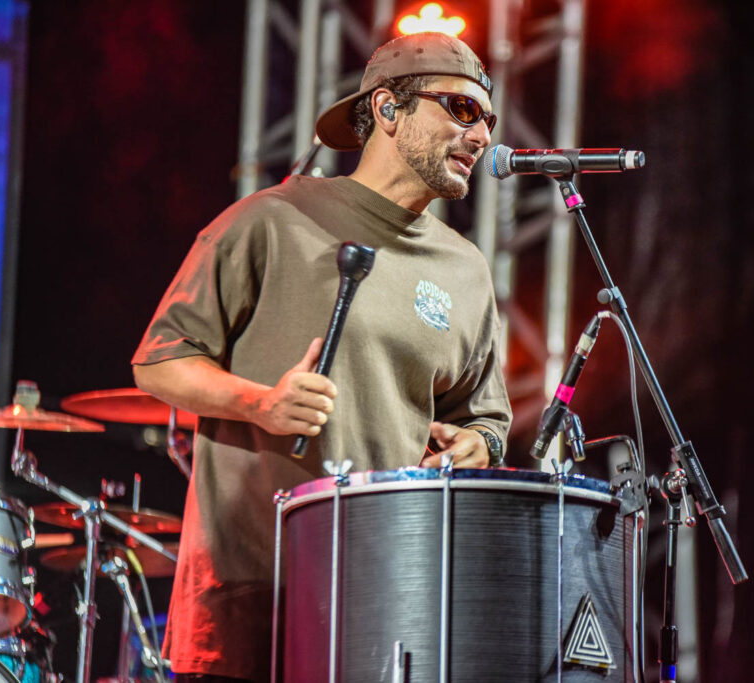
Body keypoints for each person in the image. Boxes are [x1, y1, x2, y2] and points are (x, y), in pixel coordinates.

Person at [131, 32, 512, 683]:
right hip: (250, 594)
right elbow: (159, 360)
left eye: (488, 120)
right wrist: (261, 403)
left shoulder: (467, 270)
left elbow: (485, 419)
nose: (479, 136)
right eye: (461, 109)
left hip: (386, 604)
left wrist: (477, 444)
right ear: (388, 109)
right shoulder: (272, 219)